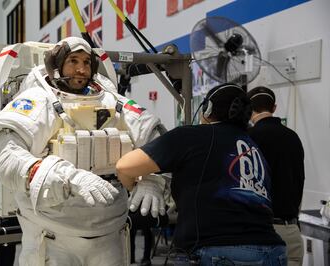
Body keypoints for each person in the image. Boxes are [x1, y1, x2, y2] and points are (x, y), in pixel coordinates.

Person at [0, 36, 166, 266]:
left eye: (87, 62)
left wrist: (152, 178)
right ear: (57, 65)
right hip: (53, 237)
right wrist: (67, 177)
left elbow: (157, 138)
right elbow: (6, 155)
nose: (81, 69)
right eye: (73, 61)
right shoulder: (38, 101)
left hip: (110, 235)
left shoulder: (112, 102)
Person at [116, 83, 287, 265]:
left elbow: (124, 166)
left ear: (207, 108)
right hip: (273, 251)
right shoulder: (253, 148)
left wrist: (141, 185)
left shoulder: (191, 136)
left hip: (218, 250)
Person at [247, 86, 305, 266]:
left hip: (257, 232)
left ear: (249, 110)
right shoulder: (293, 137)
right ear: (274, 108)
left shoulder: (247, 139)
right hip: (290, 231)